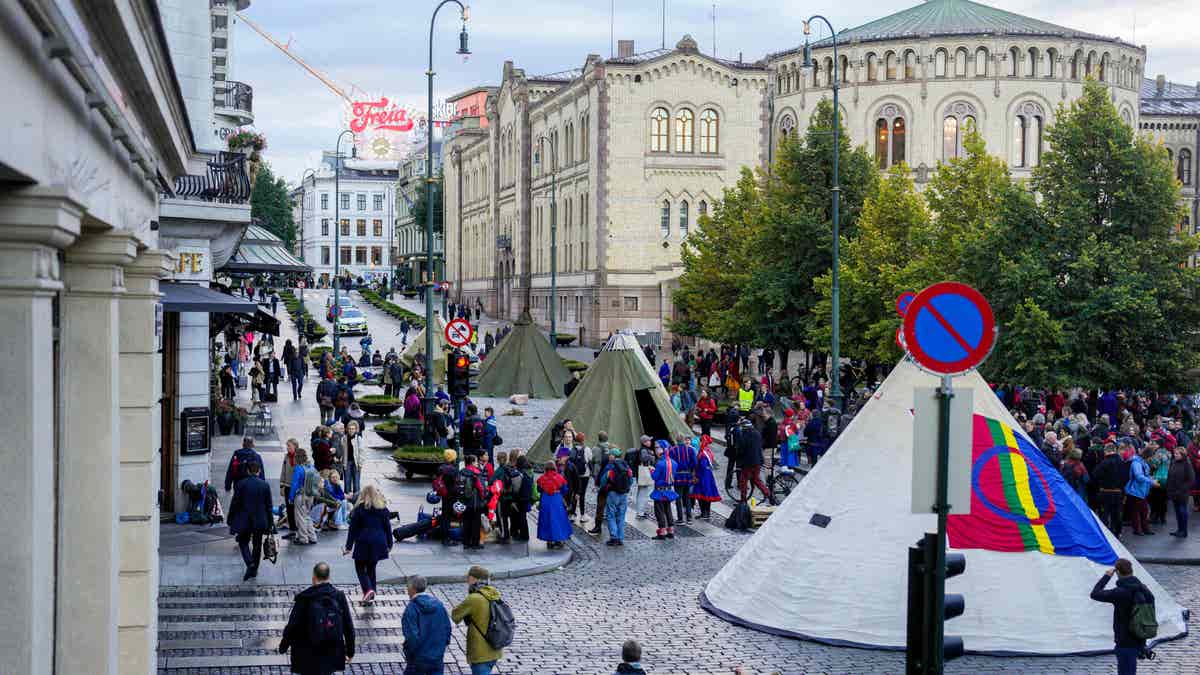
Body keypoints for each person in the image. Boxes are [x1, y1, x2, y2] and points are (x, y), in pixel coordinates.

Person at [279, 562, 355, 674]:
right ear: (329, 577)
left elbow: (292, 625)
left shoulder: (304, 598)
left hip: (307, 652)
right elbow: (348, 626)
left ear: (314, 577)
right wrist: (350, 651)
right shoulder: (339, 596)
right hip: (331, 650)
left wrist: (284, 645)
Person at [1090, 558, 1152, 675]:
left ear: (1117, 572)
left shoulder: (1120, 592)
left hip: (1124, 641)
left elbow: (1095, 593)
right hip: (1140, 639)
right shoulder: (1144, 589)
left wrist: (1107, 576)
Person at [343, 485, 393, 604]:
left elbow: (353, 530)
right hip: (379, 542)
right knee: (371, 567)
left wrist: (348, 547)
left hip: (364, 541)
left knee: (359, 567)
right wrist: (390, 544)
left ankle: (368, 590)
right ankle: (372, 592)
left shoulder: (359, 509)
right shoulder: (383, 509)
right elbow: (388, 528)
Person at [451, 566, 505, 675]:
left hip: (480, 652)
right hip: (494, 649)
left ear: (475, 579)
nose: (467, 580)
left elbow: (455, 616)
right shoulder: (494, 593)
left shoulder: (474, 598)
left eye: (469, 577)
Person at [228, 462, 274, 581]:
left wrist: (230, 517)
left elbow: (235, 503)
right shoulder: (265, 485)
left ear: (248, 471)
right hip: (259, 519)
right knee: (257, 544)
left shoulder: (240, 484)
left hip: (244, 519)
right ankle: (254, 569)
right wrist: (270, 522)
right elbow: (269, 506)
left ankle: (250, 563)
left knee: (243, 542)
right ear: (258, 471)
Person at [402, 574, 452, 675]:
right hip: (436, 657)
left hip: (418, 659)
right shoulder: (439, 605)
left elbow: (412, 637)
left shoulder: (411, 608)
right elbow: (447, 629)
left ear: (412, 589)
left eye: (407, 587)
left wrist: (409, 652)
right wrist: (440, 648)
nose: (407, 590)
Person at [597, 446, 633, 546]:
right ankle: (620, 538)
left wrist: (603, 488)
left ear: (613, 456)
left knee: (611, 515)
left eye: (610, 455)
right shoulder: (626, 466)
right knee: (621, 516)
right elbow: (631, 480)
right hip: (624, 495)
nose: (609, 457)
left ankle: (614, 536)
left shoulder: (610, 467)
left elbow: (603, 481)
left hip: (612, 494)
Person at [736, 418, 775, 504]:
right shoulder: (757, 433)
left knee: (743, 481)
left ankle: (743, 501)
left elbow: (741, 449)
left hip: (748, 462)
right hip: (758, 461)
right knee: (756, 480)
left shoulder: (744, 435)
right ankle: (769, 495)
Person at [536, 461, 572, 548]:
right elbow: (565, 489)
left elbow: (539, 489)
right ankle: (558, 540)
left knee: (546, 520)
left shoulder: (542, 478)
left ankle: (549, 541)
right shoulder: (559, 477)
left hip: (546, 500)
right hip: (556, 499)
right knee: (558, 520)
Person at [1094, 443, 1126, 537]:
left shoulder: (1104, 462)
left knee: (1105, 513)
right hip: (1118, 492)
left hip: (1106, 492)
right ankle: (1117, 532)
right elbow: (1126, 477)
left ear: (1106, 451)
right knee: (1117, 513)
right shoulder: (1121, 462)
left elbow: (1095, 474)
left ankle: (1105, 534)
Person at [1125, 445, 1158, 536]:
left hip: (1141, 490)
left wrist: (1150, 479)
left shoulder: (1141, 462)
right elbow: (1139, 476)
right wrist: (1151, 481)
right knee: (1137, 511)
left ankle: (1144, 528)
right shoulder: (1137, 463)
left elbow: (1143, 475)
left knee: (1143, 510)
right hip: (1135, 490)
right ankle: (1138, 529)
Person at [289, 449, 319, 545]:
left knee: (300, 517)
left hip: (300, 495)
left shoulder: (299, 468)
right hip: (310, 495)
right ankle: (312, 536)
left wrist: (291, 497)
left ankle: (303, 538)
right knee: (307, 516)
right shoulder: (311, 466)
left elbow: (294, 484)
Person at [649, 441, 678, 540]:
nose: (655, 449)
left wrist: (651, 470)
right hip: (669, 490)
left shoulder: (660, 463)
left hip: (660, 491)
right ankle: (670, 530)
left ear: (662, 449)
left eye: (657, 447)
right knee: (668, 510)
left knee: (659, 511)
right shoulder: (673, 462)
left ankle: (662, 532)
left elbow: (655, 477)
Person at [460, 454, 488, 550]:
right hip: (475, 502)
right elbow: (482, 488)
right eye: (476, 461)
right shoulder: (476, 473)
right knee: (475, 523)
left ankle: (466, 543)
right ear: (472, 462)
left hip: (464, 502)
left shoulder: (461, 472)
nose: (477, 463)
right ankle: (474, 543)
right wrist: (484, 498)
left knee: (466, 522)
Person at [1167, 445, 1195, 538]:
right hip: (1173, 492)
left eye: (1177, 454)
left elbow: (1191, 479)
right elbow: (1170, 476)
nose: (1175, 455)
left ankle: (1184, 531)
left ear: (1182, 454)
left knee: (1182, 511)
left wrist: (1182, 489)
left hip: (1182, 493)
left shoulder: (1187, 464)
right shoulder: (1174, 462)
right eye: (1174, 453)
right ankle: (1179, 530)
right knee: (1177, 512)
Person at [669, 433, 697, 524]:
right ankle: (689, 518)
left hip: (677, 476)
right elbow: (695, 463)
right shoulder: (690, 450)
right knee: (687, 498)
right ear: (684, 440)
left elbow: (671, 464)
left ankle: (680, 518)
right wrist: (689, 468)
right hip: (687, 475)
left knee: (678, 498)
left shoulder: (672, 450)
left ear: (676, 440)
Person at [693, 435, 722, 519]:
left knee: (702, 495)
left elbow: (702, 466)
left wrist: (696, 475)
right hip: (708, 475)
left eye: (700, 441)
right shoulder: (707, 450)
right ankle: (706, 513)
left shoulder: (702, 453)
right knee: (706, 494)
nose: (699, 442)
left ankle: (704, 513)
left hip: (702, 476)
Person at [278, 438, 301, 537]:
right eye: (287, 446)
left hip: (297, 487)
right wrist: (282, 485)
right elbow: (283, 471)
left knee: (298, 509)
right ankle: (292, 529)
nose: (287, 448)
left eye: (289, 446)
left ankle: (300, 530)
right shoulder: (286, 457)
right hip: (287, 486)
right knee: (289, 508)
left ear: (295, 446)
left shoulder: (299, 457)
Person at [509, 455, 533, 542]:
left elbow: (515, 488)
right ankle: (524, 534)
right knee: (523, 517)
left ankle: (523, 535)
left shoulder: (519, 473)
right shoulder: (529, 472)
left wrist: (514, 500)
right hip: (526, 498)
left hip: (520, 498)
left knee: (520, 517)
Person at [631, 437, 655, 519]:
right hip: (643, 472)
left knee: (641, 492)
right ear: (644, 442)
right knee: (642, 493)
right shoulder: (644, 450)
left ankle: (640, 511)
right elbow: (643, 458)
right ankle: (640, 512)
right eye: (648, 440)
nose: (650, 442)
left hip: (641, 473)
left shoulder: (644, 449)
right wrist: (652, 456)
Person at [344, 420, 362, 495]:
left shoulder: (358, 438)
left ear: (356, 429)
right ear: (347, 429)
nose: (351, 430)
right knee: (347, 480)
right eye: (350, 429)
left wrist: (360, 463)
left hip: (356, 462)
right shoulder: (344, 438)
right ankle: (347, 495)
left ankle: (356, 496)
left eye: (353, 429)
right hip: (347, 461)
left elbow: (362, 451)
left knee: (356, 480)